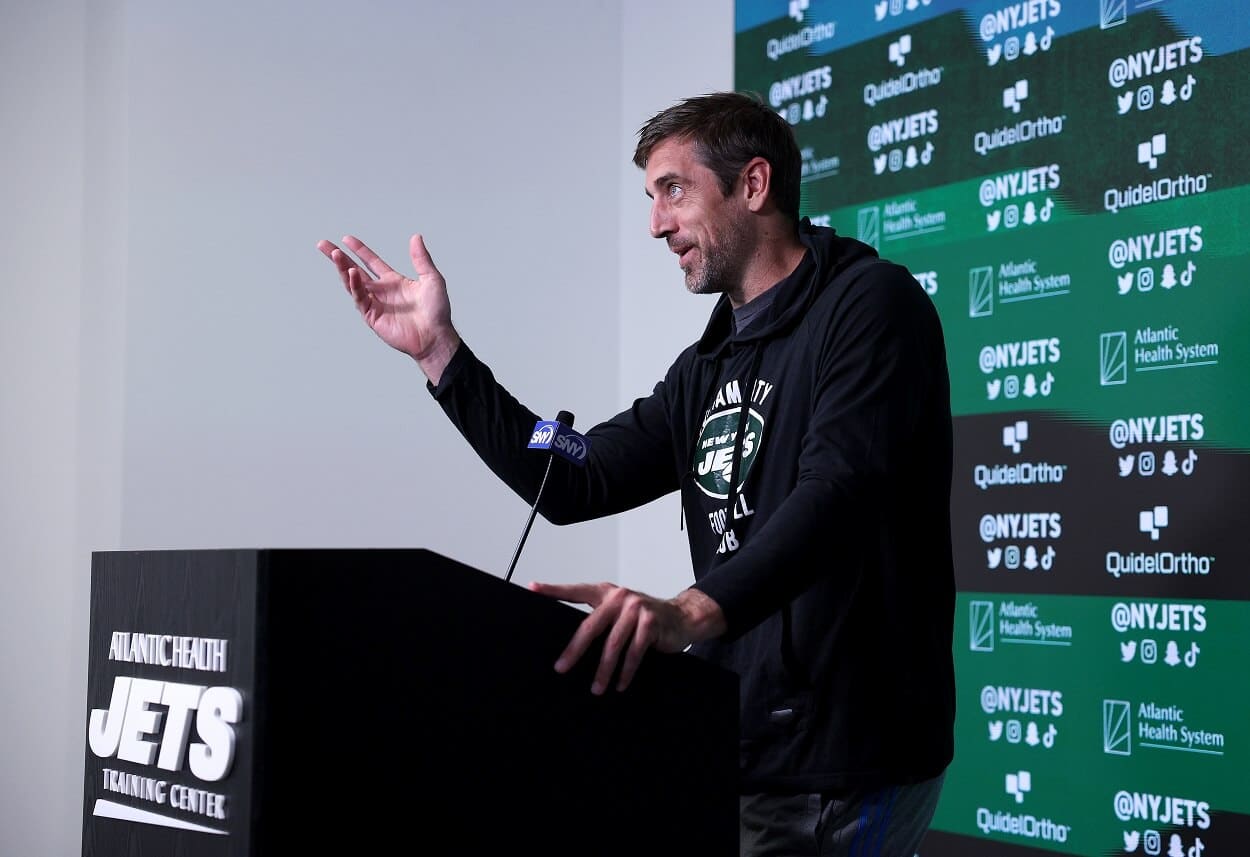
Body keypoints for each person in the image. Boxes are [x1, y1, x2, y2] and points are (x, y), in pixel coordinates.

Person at [318, 91, 955, 856]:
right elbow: (576, 478)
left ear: (753, 186)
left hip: (846, 762)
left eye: (673, 190)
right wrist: (439, 354)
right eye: (651, 198)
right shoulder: (706, 366)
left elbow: (837, 492)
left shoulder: (872, 307)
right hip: (739, 748)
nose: (656, 223)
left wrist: (686, 612)